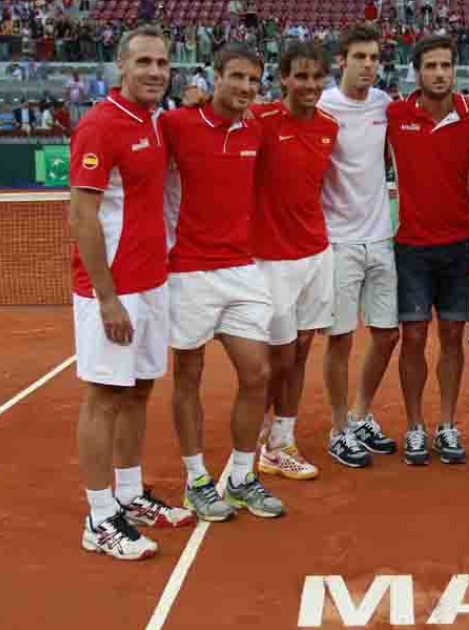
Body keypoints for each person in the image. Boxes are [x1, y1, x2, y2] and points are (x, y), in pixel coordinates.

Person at [71, 25, 194, 561]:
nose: (153, 72)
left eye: (162, 63)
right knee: (103, 396)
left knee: (141, 388)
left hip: (153, 282)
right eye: (143, 62)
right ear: (122, 66)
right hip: (114, 290)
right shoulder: (100, 125)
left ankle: (128, 493)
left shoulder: (155, 121)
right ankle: (98, 516)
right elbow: (82, 214)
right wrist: (107, 297)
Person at [163, 43, 285, 521]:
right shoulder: (176, 125)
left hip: (241, 268)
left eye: (253, 80)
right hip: (188, 271)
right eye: (236, 77)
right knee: (188, 375)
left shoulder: (257, 126)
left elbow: (301, 105)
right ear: (215, 77)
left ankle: (239, 476)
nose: (244, 88)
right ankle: (196, 480)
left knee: (257, 373)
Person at [387, 35, 469, 465]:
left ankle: (447, 425)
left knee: (451, 337)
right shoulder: (395, 114)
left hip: (460, 244)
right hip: (410, 246)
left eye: (446, 65)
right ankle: (414, 426)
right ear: (417, 71)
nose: (440, 73)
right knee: (412, 338)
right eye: (431, 65)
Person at [249, 42, 339, 481]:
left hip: (317, 254)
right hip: (271, 261)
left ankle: (281, 439)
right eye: (300, 76)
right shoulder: (260, 120)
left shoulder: (329, 127)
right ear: (283, 77)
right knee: (278, 357)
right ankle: (256, 434)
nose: (309, 85)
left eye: (316, 77)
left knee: (302, 351)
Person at [318, 24, 400, 468]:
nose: (368, 65)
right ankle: (336, 428)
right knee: (340, 340)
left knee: (387, 334)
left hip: (380, 237)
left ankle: (360, 414)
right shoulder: (322, 105)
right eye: (360, 57)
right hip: (338, 242)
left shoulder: (384, 104)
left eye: (374, 58)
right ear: (341, 61)